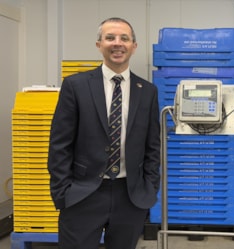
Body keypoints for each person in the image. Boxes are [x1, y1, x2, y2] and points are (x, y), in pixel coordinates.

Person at [47, 17, 161, 249]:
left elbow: (153, 146)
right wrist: (63, 192)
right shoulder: (76, 85)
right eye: (110, 38)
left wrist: (149, 187)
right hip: (83, 194)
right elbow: (59, 144)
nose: (117, 43)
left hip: (130, 196)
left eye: (124, 38)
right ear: (99, 44)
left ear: (133, 46)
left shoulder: (147, 91)